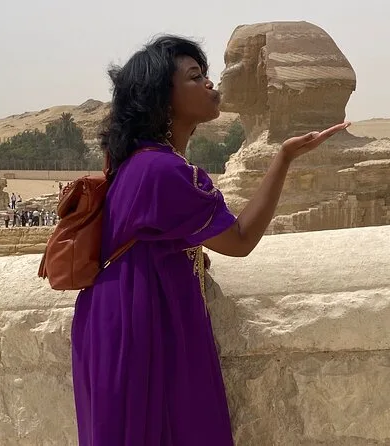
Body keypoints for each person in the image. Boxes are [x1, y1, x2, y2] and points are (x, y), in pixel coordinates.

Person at [70, 35, 350, 446]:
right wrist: (284, 159)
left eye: (206, 74)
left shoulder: (141, 163)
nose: (210, 84)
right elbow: (240, 240)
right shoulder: (163, 171)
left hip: (123, 317)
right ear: (162, 98)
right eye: (194, 77)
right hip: (140, 324)